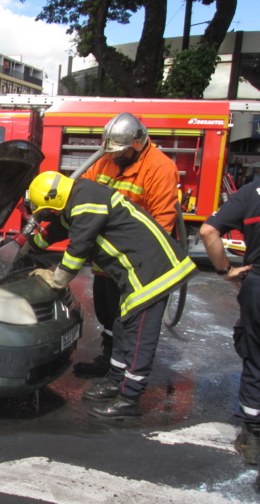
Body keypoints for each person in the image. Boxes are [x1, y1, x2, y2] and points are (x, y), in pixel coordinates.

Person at [25, 171, 198, 418]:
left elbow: (78, 247)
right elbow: (57, 230)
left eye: (48, 211)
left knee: (139, 336)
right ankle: (117, 381)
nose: (48, 215)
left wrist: (56, 279)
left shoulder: (86, 202)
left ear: (55, 201)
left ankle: (130, 399)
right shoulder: (79, 197)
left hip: (151, 274)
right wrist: (26, 246)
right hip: (134, 273)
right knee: (121, 328)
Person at [70, 113, 181, 380]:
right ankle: (108, 360)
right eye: (111, 151)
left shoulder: (159, 168)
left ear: (137, 145)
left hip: (135, 264)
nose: (114, 157)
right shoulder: (105, 161)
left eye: (120, 152)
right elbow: (83, 191)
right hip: (107, 261)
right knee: (107, 315)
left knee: (127, 322)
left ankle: (120, 376)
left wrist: (141, 264)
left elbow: (162, 222)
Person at [199, 176, 260, 466]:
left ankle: (253, 438)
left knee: (255, 356)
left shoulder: (252, 192)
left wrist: (226, 271)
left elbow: (209, 231)